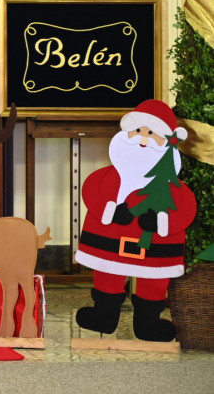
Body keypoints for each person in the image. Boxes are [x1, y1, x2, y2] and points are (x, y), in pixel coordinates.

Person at [74, 99, 198, 341]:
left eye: (151, 133)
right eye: (138, 131)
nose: (143, 139)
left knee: (153, 282)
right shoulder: (107, 176)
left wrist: (162, 221)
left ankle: (148, 324)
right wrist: (110, 210)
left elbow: (185, 209)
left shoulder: (174, 187)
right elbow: (91, 190)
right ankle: (104, 316)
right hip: (109, 243)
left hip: (155, 247)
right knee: (108, 275)